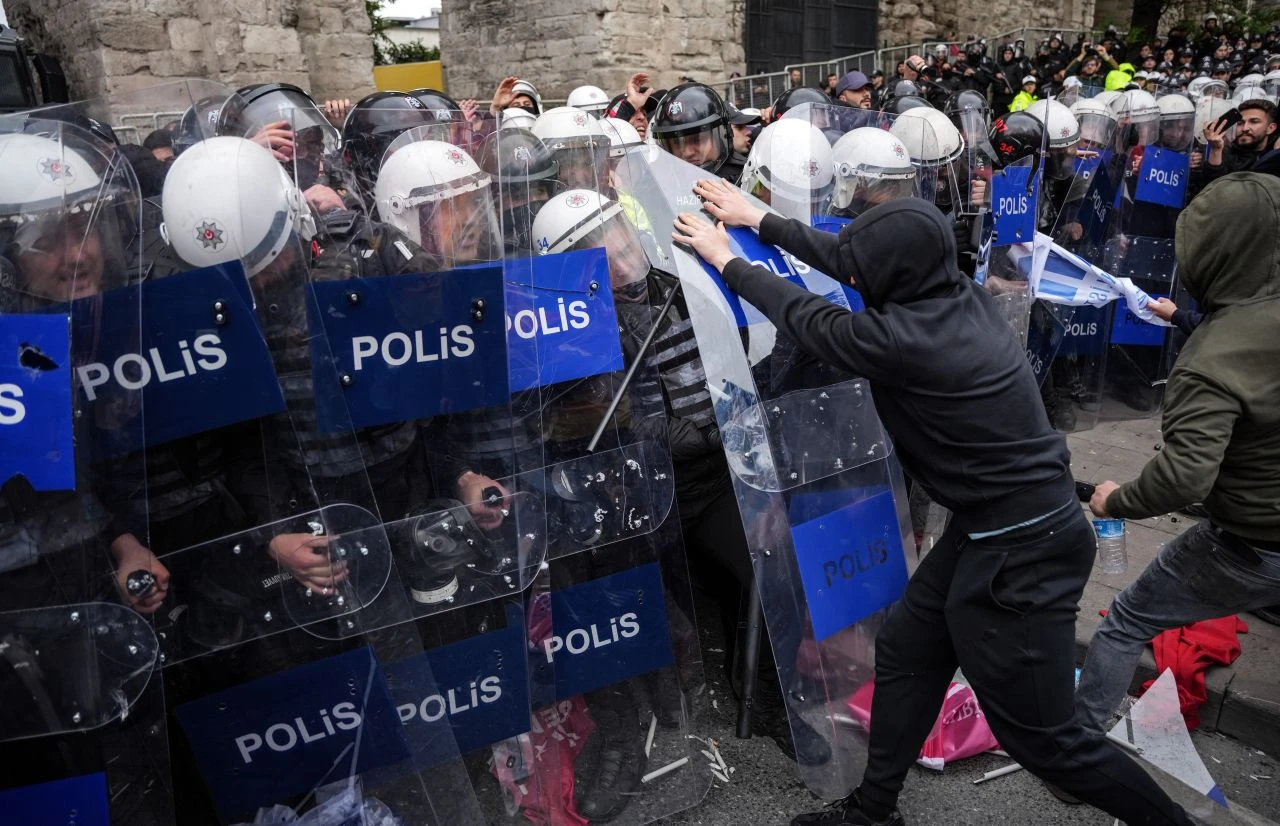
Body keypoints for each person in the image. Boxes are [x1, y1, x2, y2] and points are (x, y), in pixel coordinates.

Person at [670, 179, 1196, 826]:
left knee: (1049, 742)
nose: (853, 273)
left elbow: (811, 317)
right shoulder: (956, 294)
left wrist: (730, 260)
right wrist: (762, 219)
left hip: (1022, 550)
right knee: (907, 652)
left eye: (864, 269)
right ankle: (873, 811)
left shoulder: (904, 339)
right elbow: (847, 260)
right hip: (995, 526)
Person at [1078, 172, 1280, 732]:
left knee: (1127, 621)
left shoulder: (1212, 359)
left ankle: (1078, 752)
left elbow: (1185, 477)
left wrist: (1117, 500)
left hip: (1253, 542)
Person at [1195, 98, 1279, 189]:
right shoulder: (1223, 153)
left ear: (1270, 128)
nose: (1245, 128)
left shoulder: (1274, 158)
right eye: (1240, 123)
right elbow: (1212, 190)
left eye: (1254, 122)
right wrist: (1216, 150)